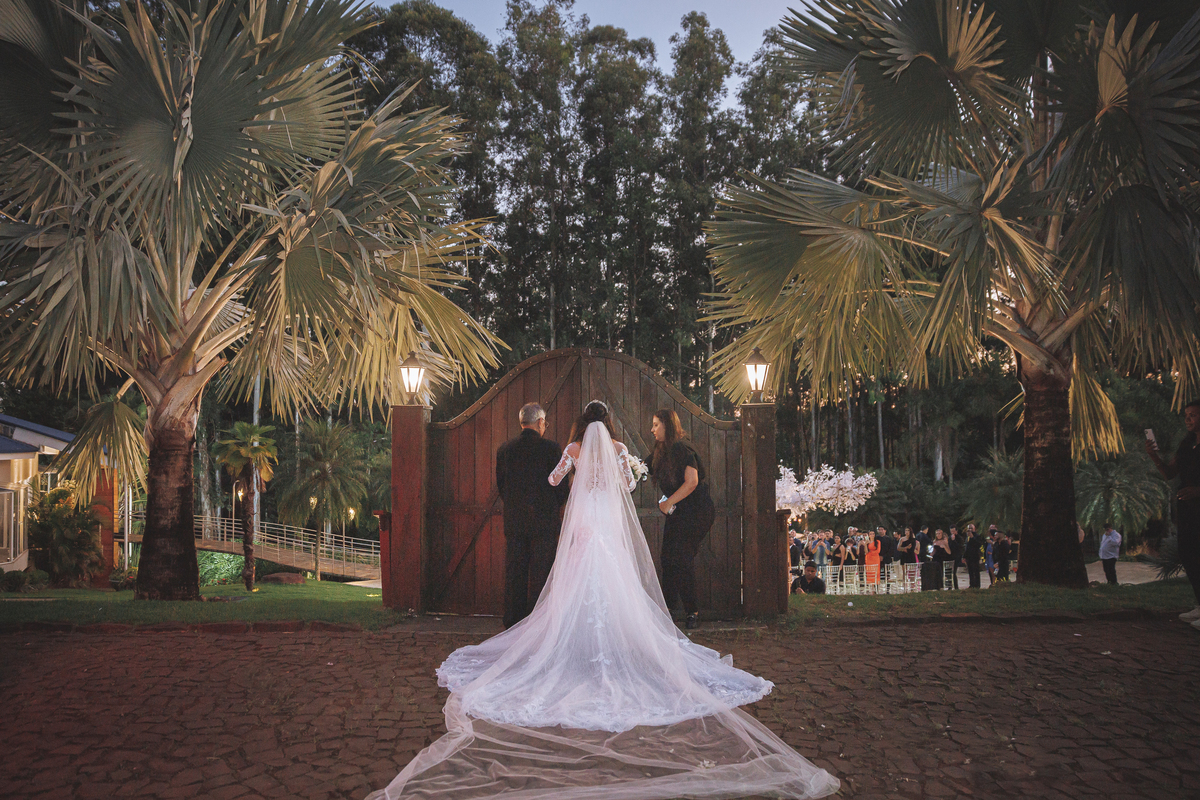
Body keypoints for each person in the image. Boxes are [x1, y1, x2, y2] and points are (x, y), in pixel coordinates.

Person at [371, 404, 840, 800]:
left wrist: (571, 472)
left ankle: (571, 648)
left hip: (583, 520)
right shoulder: (617, 449)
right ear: (609, 426)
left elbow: (556, 480)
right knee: (614, 579)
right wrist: (624, 470)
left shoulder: (573, 449)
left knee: (575, 580)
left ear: (580, 425)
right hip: (606, 520)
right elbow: (630, 485)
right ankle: (621, 645)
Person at [496, 402, 570, 628]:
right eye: (544, 423)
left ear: (522, 422)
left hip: (516, 522)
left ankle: (512, 622)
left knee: (515, 573)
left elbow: (502, 486)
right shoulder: (551, 449)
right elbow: (561, 487)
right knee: (541, 573)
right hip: (544, 522)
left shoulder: (505, 449)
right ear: (540, 422)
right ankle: (538, 623)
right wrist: (553, 506)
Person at [650, 408, 717, 631]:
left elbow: (692, 482)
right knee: (667, 558)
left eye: (656, 425)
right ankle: (668, 608)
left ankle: (692, 612)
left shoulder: (682, 449)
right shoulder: (660, 451)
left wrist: (669, 503)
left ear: (667, 426)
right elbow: (639, 467)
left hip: (697, 510)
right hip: (679, 512)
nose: (652, 430)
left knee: (681, 558)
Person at [1148, 400, 1200, 629]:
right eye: (1187, 416)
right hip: (1188, 508)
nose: (1189, 419)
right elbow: (1170, 473)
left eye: (1194, 415)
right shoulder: (1187, 444)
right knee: (1188, 553)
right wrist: (1154, 456)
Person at [964, 523, 983, 589]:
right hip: (969, 556)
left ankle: (977, 585)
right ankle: (972, 584)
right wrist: (964, 556)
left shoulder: (977, 536)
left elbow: (978, 544)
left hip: (975, 556)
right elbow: (966, 547)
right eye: (969, 528)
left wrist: (972, 537)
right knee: (970, 571)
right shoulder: (967, 537)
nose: (970, 530)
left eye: (971, 528)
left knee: (976, 571)